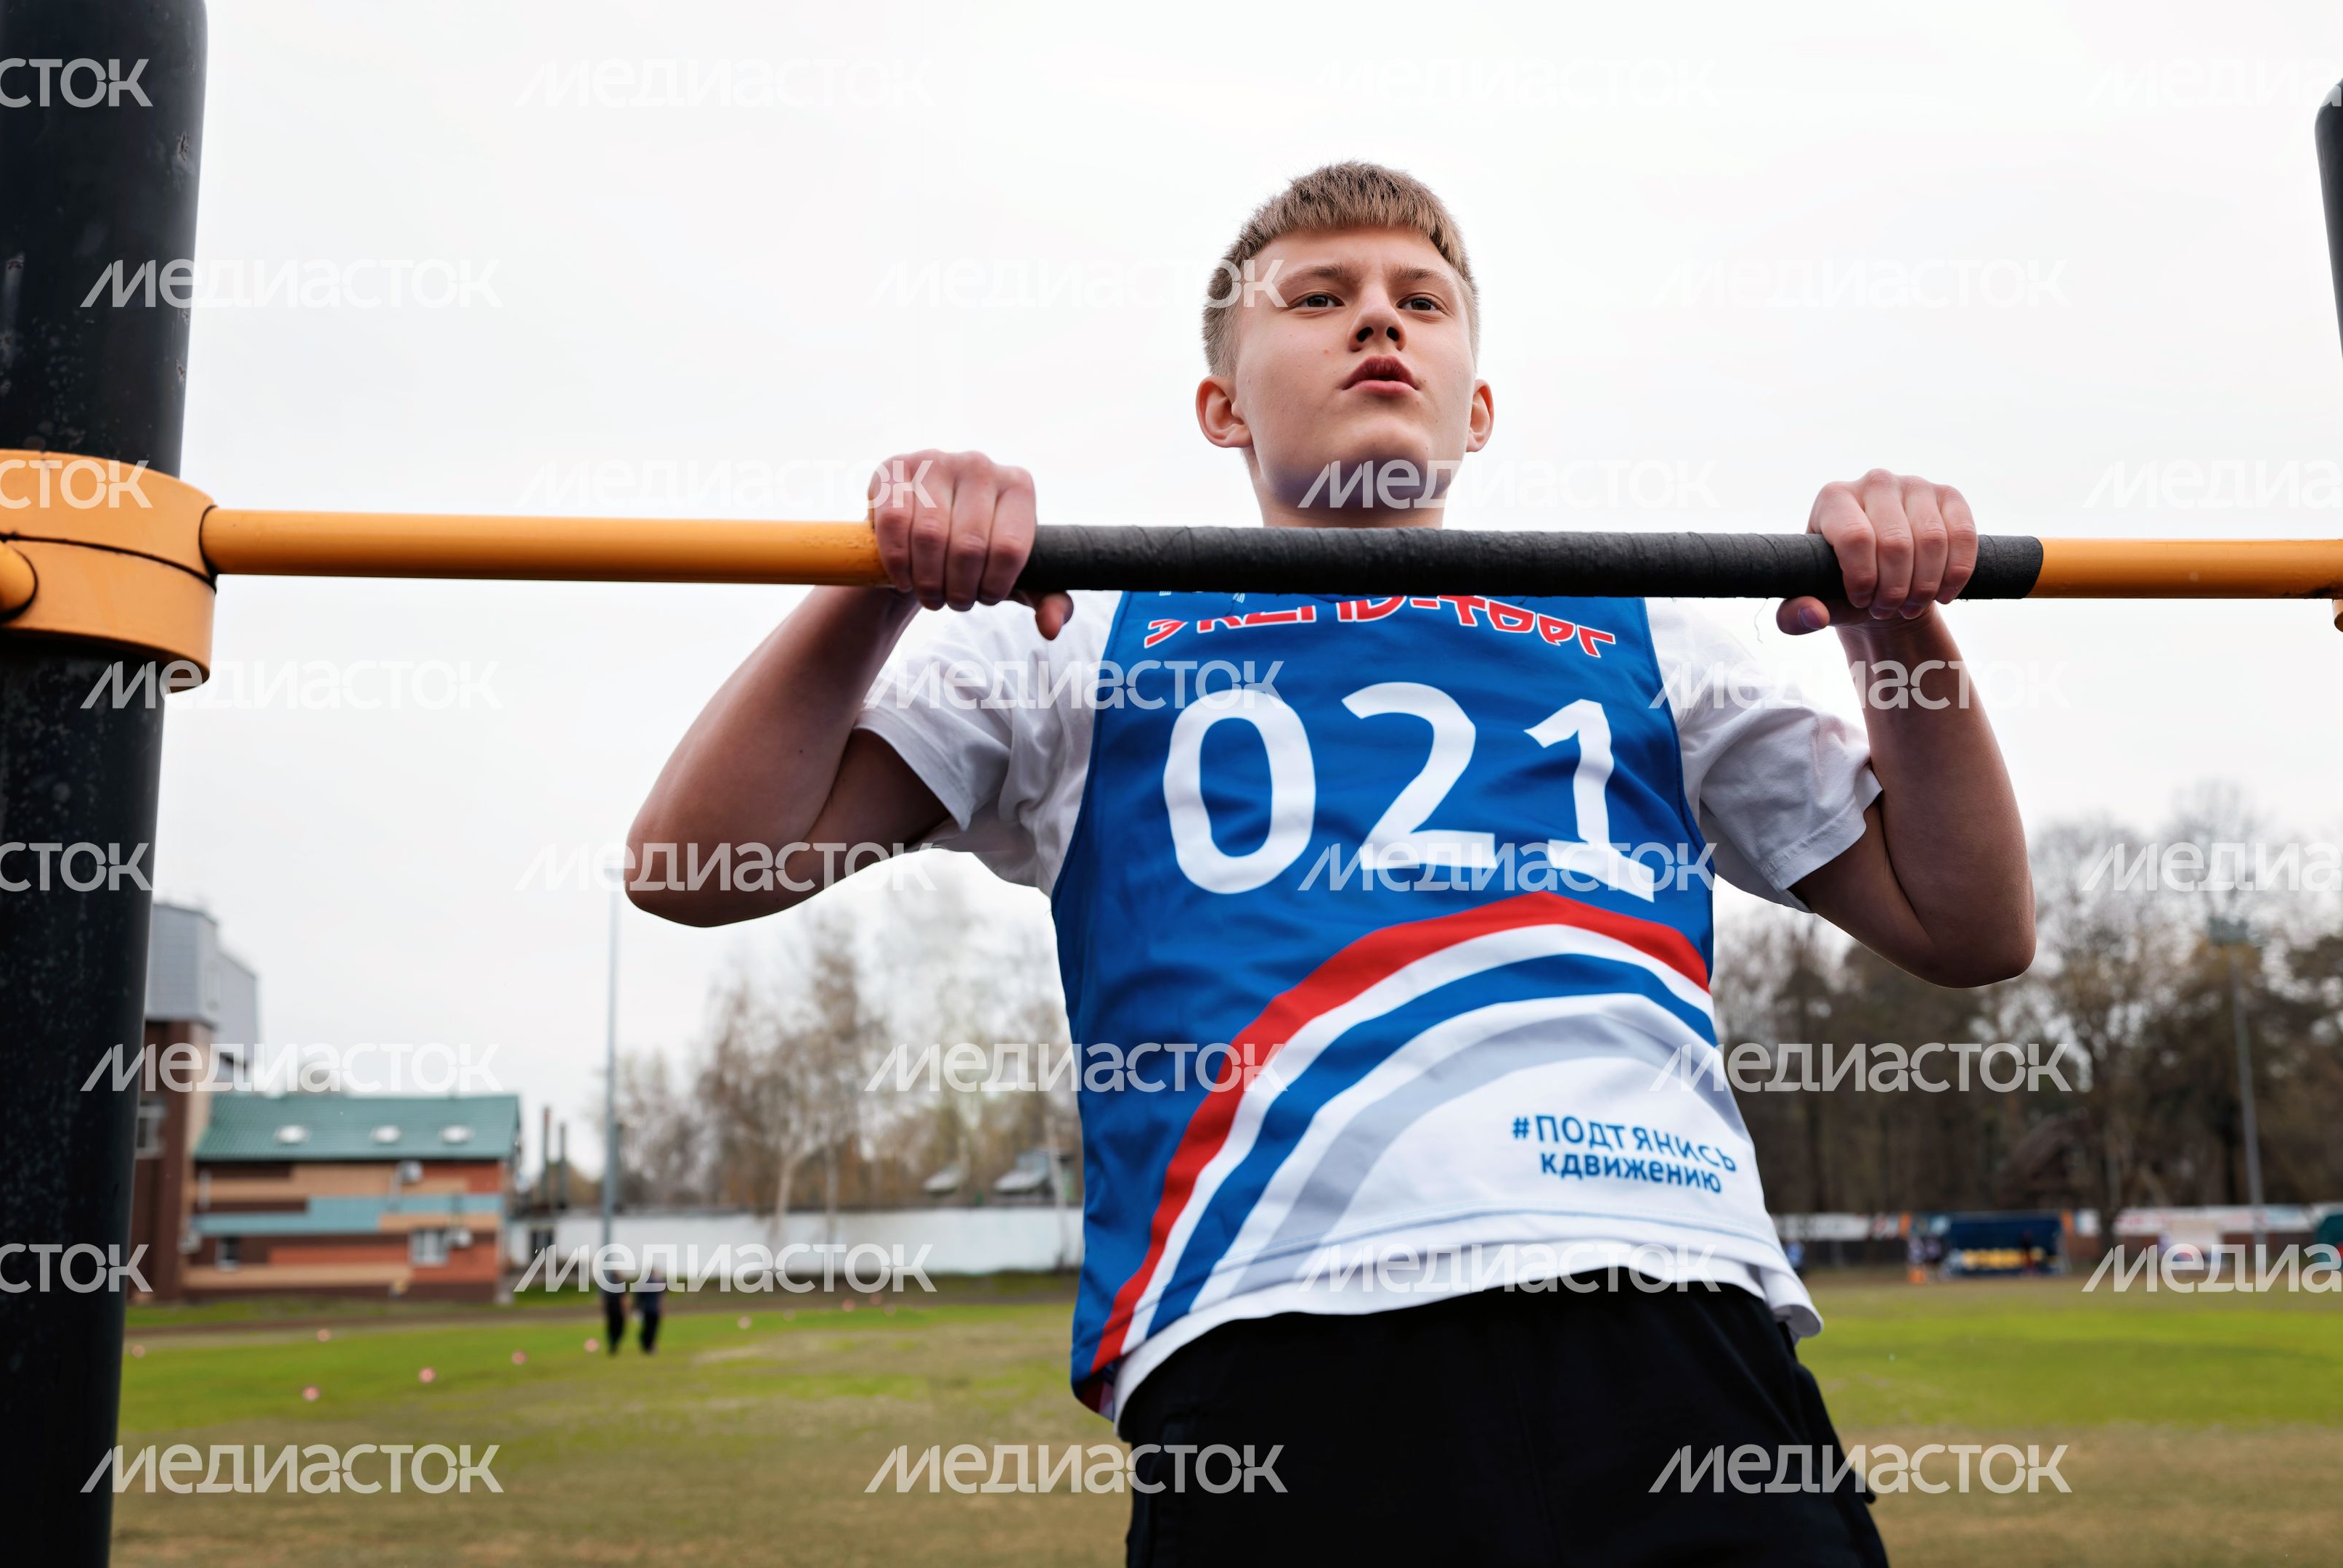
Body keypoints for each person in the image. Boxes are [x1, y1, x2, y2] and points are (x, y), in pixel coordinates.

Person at [628, 163, 2032, 1564]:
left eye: (1421, 302)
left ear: (1476, 406)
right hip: (1275, 1340)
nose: (1379, 323)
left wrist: (1897, 627)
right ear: (1220, 405)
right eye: (1319, 299)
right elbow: (691, 866)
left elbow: (1968, 925)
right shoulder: (1077, 629)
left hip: (1668, 1320)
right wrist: (876, 579)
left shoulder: (1643, 634)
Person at [634, 1265, 666, 1353]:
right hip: (654, 1309)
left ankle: (646, 1345)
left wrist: (638, 1309)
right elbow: (660, 1297)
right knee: (653, 1329)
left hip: (646, 1309)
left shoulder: (644, 1283)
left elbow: (639, 1298)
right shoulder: (657, 1282)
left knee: (647, 1328)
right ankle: (650, 1346)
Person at [600, 1261, 627, 1356]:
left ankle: (612, 1344)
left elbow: (604, 1300)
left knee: (611, 1329)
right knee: (619, 1329)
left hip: (610, 1311)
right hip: (618, 1311)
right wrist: (624, 1311)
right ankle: (615, 1343)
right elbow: (622, 1300)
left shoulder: (607, 1286)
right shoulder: (620, 1285)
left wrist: (604, 1310)